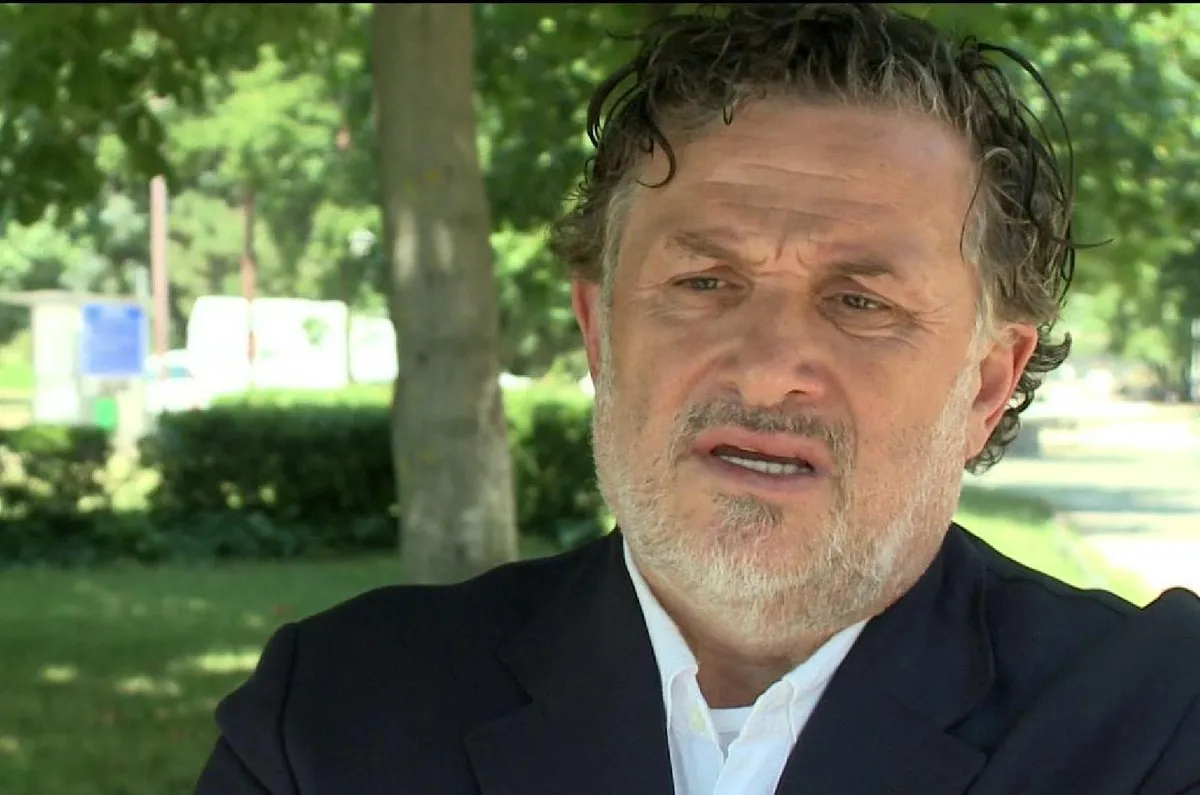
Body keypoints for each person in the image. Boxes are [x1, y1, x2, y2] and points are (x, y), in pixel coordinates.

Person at [194, 5, 1200, 794]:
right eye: (704, 282)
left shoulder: (1156, 726)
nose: (765, 370)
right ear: (600, 331)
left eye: (860, 301)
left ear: (986, 382)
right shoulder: (333, 717)